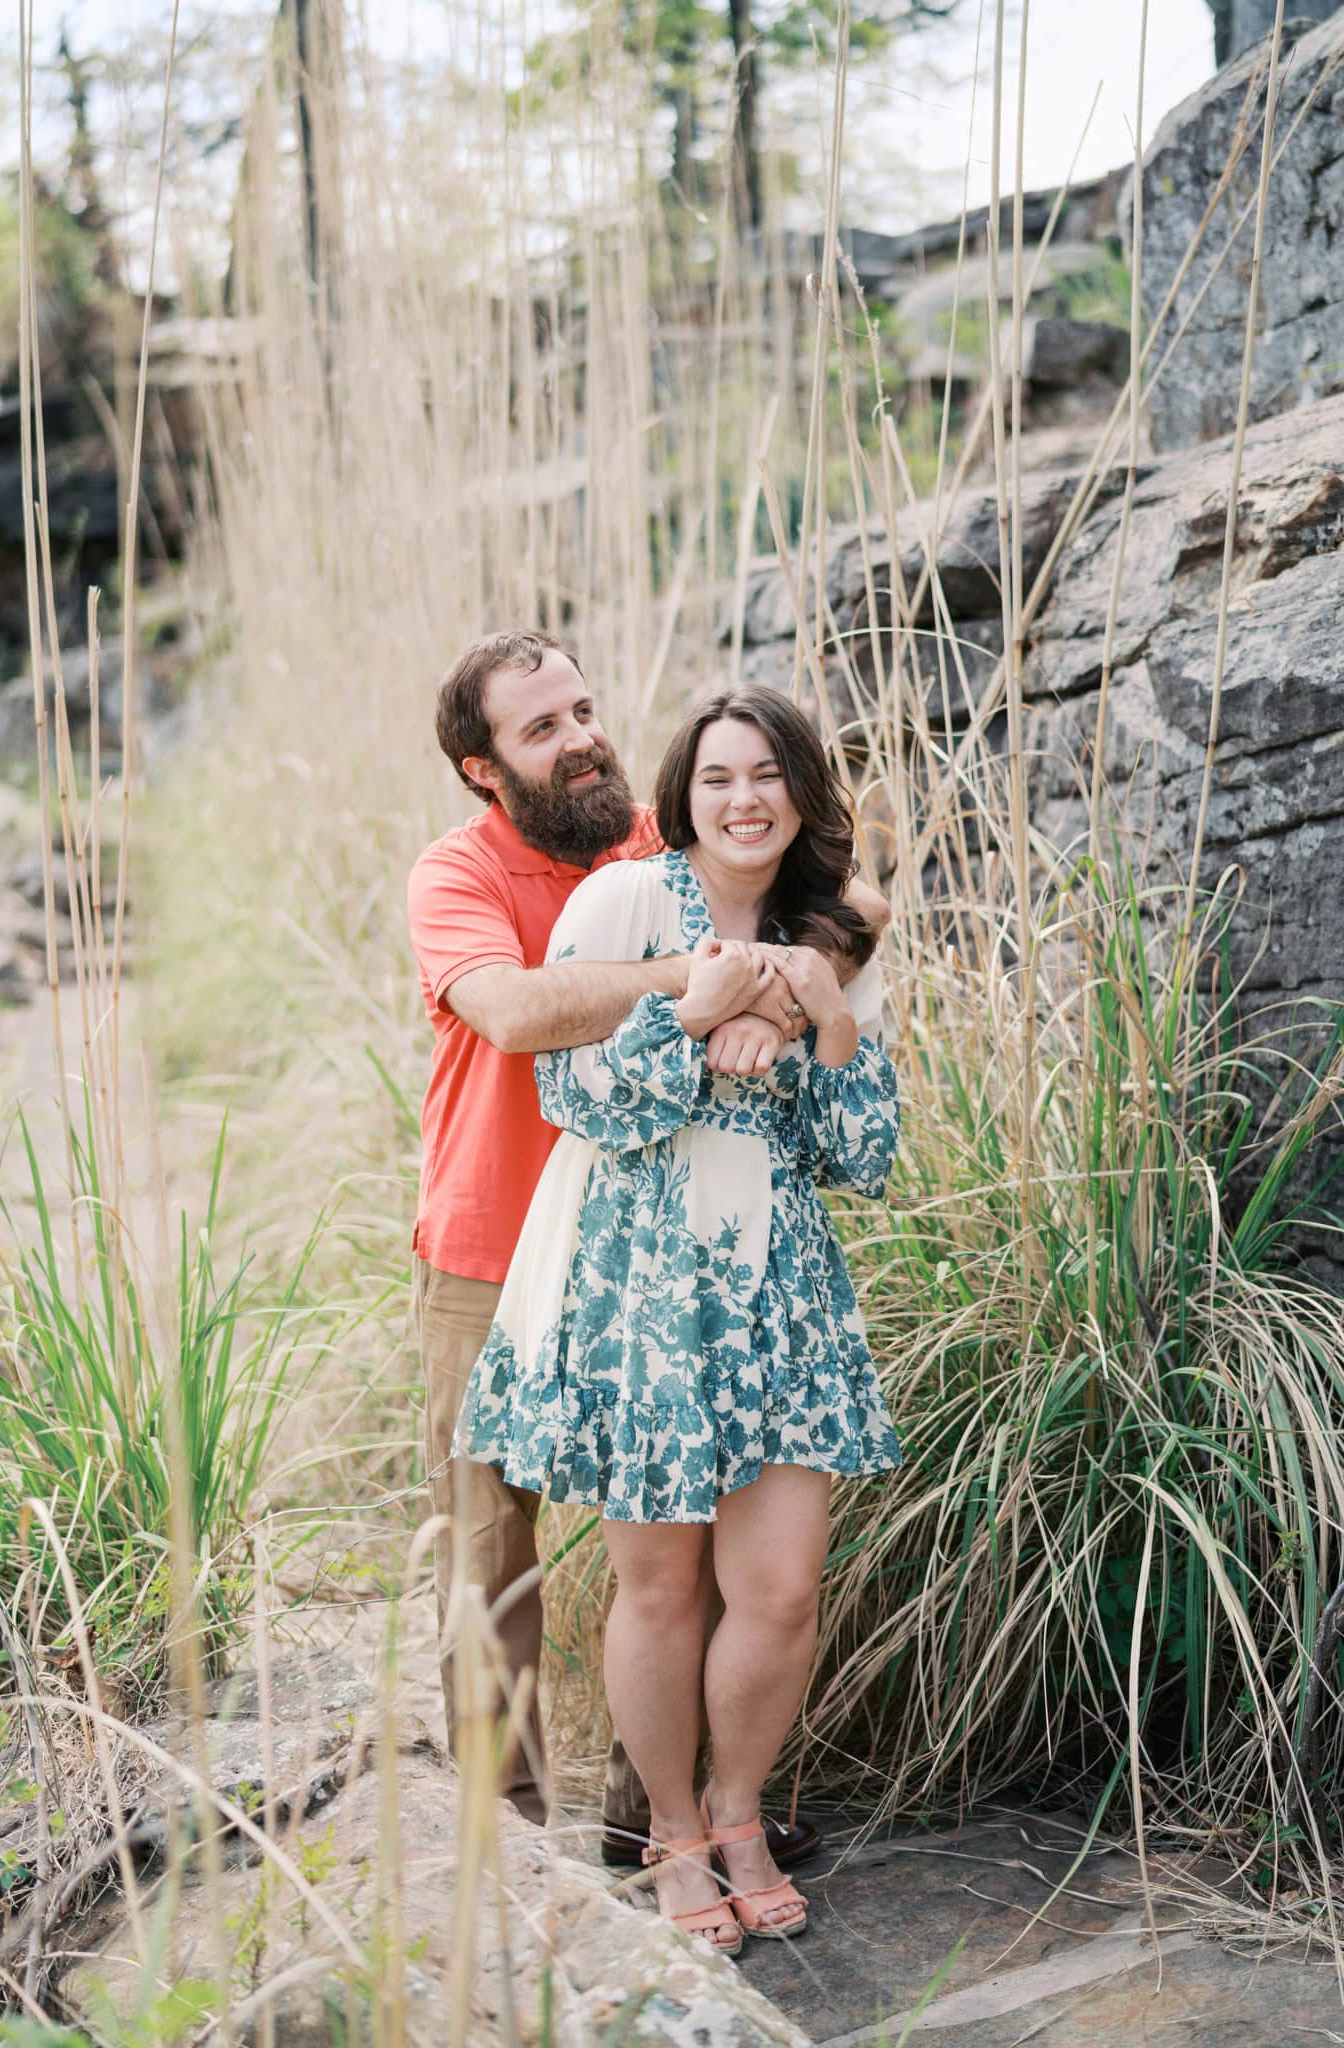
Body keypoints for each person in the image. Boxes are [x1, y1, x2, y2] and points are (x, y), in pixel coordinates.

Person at [408, 631, 884, 1857]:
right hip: (495, 1232)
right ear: (481, 767)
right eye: (540, 728)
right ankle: (502, 1832)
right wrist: (712, 981)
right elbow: (515, 1012)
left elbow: (846, 903)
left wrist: (795, 983)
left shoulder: (646, 842)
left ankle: (657, 1814)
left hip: (685, 1256)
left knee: (716, 1558)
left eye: (582, 707)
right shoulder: (455, 874)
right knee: (492, 1546)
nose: (579, 738)